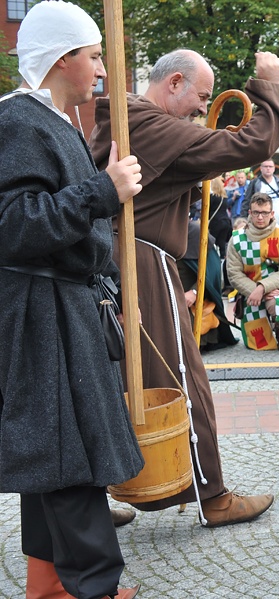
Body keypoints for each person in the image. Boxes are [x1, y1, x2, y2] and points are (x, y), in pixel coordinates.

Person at [90, 48, 279, 525]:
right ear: (173, 82)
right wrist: (272, 85)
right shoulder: (151, 125)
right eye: (200, 96)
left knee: (103, 381)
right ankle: (211, 495)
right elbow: (250, 145)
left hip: (118, 262)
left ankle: (86, 503)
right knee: (183, 377)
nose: (204, 108)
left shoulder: (127, 119)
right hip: (139, 265)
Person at [0, 2, 146, 597]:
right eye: (92, 57)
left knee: (53, 451)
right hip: (40, 312)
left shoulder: (52, 120)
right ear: (63, 59)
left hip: (62, 304)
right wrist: (101, 190)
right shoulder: (20, 123)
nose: (101, 70)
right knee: (68, 452)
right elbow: (13, 224)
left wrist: (110, 285)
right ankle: (93, 587)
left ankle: (50, 584)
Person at [227, 193, 279, 351]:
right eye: (256, 212)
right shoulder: (237, 239)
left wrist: (262, 288)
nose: (260, 217)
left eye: (264, 213)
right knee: (259, 343)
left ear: (272, 213)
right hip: (250, 290)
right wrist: (254, 291)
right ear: (250, 213)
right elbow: (234, 274)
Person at [179, 220, 239, 352]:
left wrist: (195, 291)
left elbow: (212, 271)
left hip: (195, 300)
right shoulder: (160, 232)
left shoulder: (195, 232)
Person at [240, 158, 279, 226]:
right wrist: (243, 219)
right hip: (260, 224)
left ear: (274, 169)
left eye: (270, 166)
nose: (268, 168)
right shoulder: (254, 183)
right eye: (265, 166)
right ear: (261, 168)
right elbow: (246, 202)